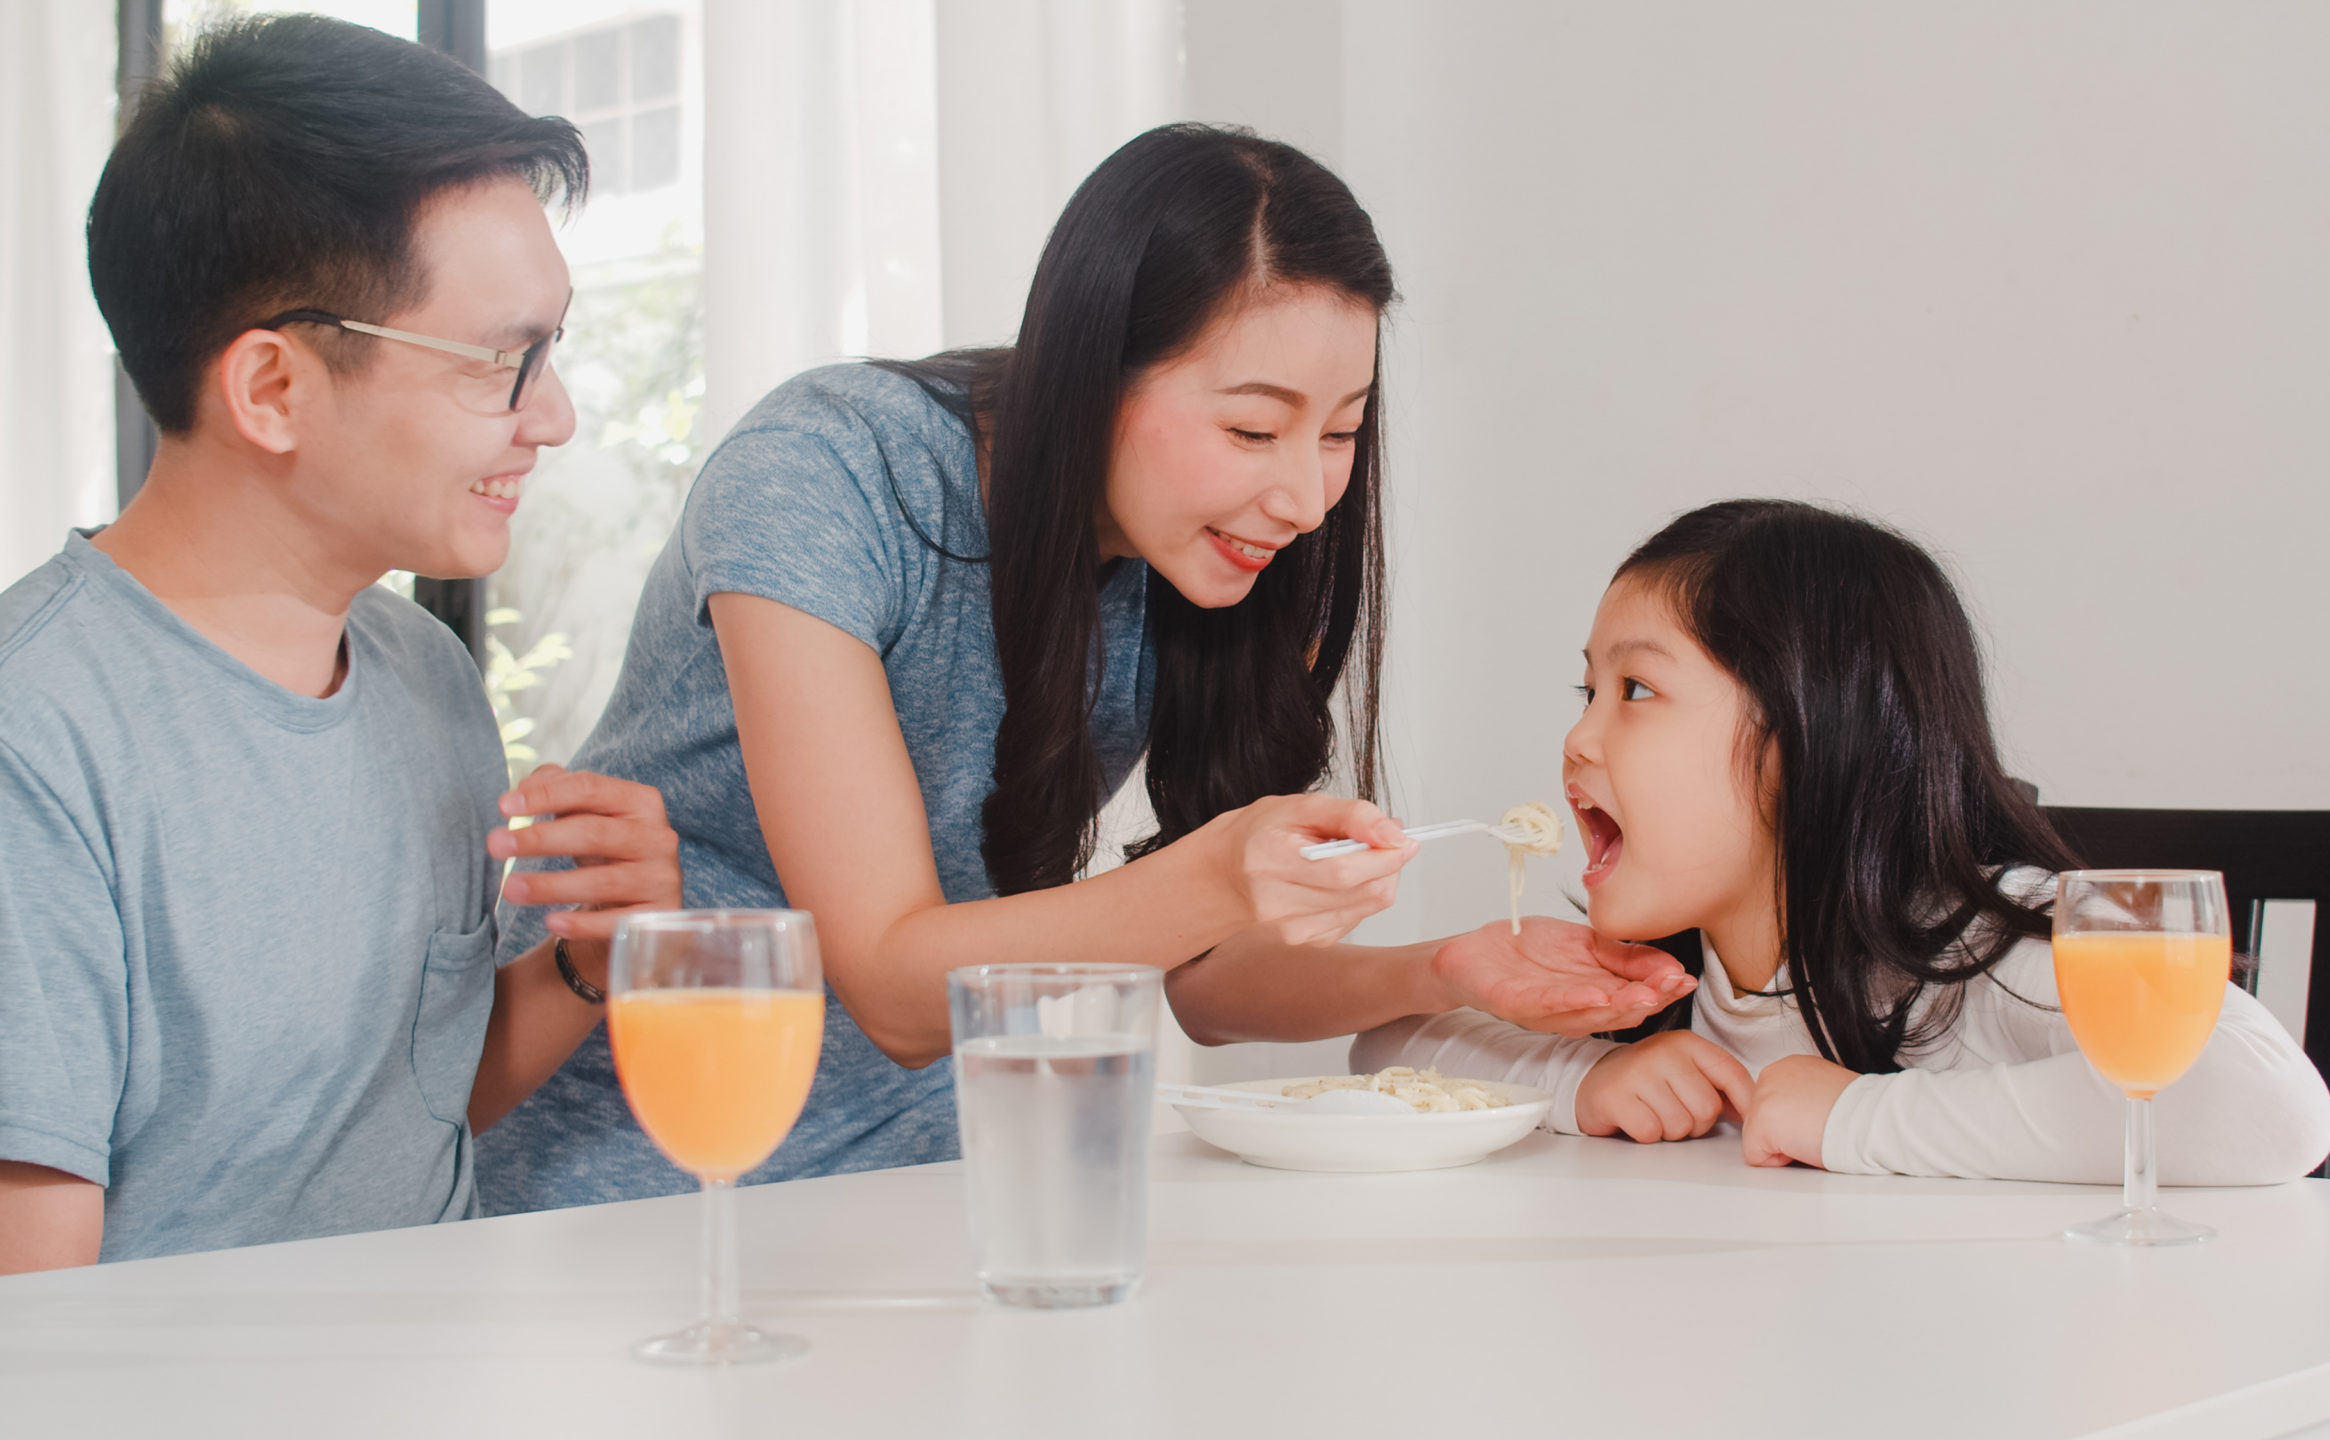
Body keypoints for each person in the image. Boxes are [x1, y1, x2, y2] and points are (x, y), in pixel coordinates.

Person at [477, 124, 1695, 1211]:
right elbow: (896, 988)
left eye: (1340, 431)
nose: (1306, 495)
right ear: (1090, 371)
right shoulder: (827, 473)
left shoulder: (1202, 563)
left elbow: (1204, 984)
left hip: (934, 1185)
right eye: (1252, 429)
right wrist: (1218, 878)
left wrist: (1441, 973)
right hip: (639, 1186)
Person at [0, 16, 683, 1273]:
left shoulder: (423, 673)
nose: (556, 416)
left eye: (553, 351)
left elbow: (408, 1108)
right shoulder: (33, 742)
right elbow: (37, 1324)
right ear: (270, 389)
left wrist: (586, 963)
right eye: (499, 360)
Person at [1353, 500, 2330, 1184]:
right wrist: (1587, 1082)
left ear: (1805, 740)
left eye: (1636, 692)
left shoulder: (1974, 948)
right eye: (1588, 693)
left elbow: (2263, 1109)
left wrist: (1848, 1118)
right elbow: (1389, 1047)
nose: (1578, 737)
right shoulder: (1651, 978)